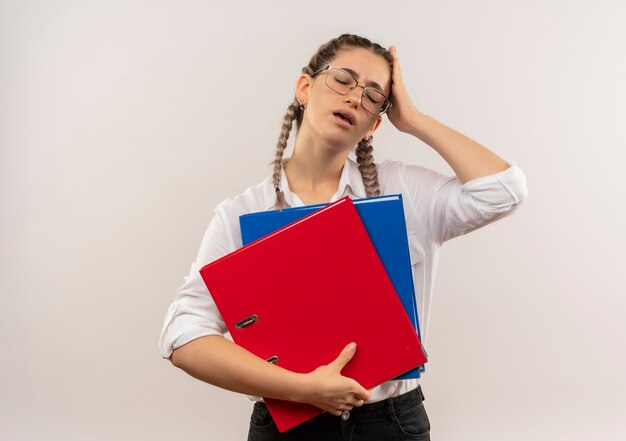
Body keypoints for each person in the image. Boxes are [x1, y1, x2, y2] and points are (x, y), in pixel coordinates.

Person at [159, 34, 528, 440]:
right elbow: (183, 334)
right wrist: (301, 388)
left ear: (374, 124)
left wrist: (415, 120)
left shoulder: (405, 191)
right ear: (304, 88)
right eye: (344, 80)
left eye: (373, 96)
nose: (356, 97)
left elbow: (503, 190)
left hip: (393, 424)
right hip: (288, 423)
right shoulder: (241, 214)